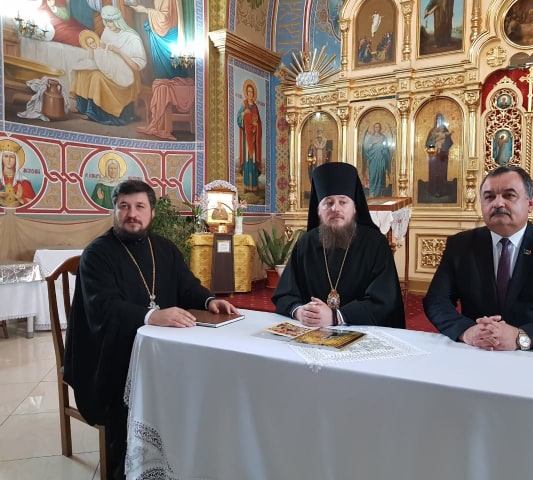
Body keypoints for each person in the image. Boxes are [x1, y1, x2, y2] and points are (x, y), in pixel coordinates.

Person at [63, 180, 238, 479]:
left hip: (163, 353)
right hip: (111, 354)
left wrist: (209, 300)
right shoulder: (97, 254)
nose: (132, 214)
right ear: (115, 211)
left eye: (139, 206)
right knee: (128, 409)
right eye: (124, 206)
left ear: (152, 212)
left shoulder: (164, 249)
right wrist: (152, 316)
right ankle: (128, 466)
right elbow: (103, 307)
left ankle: (181, 455)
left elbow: (187, 286)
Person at [423, 165, 533, 352]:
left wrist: (522, 337)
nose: (498, 203)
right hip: (478, 352)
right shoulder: (460, 245)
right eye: (489, 197)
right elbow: (436, 301)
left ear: (530, 204)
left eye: (509, 195)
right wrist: (466, 331)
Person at [272, 162, 405, 328]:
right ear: (318, 210)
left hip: (361, 332)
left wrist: (337, 317)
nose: (335, 208)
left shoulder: (375, 244)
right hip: (312, 332)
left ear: (354, 208)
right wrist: (300, 311)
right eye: (328, 203)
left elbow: (384, 300)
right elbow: (285, 293)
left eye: (343, 202)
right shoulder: (306, 244)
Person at [70, 5, 147, 125]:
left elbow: (136, 67)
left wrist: (119, 52)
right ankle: (82, 107)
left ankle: (94, 112)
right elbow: (103, 50)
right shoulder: (107, 31)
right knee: (83, 71)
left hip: (123, 74)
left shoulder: (132, 38)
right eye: (105, 21)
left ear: (118, 20)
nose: (107, 24)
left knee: (96, 77)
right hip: (108, 66)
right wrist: (95, 48)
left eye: (110, 21)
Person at [237, 80, 262, 193]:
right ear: (246, 93)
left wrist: (256, 125)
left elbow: (259, 122)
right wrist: (243, 114)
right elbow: (239, 119)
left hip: (254, 138)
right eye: (248, 92)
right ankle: (247, 187)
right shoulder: (244, 105)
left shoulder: (255, 107)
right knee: (247, 162)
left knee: (253, 162)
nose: (250, 94)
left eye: (252, 92)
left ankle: (254, 186)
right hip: (246, 139)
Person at [0, 139, 36, 207]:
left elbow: (33, 202)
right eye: (6, 156)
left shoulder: (23, 181)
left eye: (12, 157)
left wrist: (20, 200)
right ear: (1, 159)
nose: (9, 160)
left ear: (16, 160)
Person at [425, 113, 453, 197]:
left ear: (442, 120)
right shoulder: (432, 131)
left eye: (440, 119)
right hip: (434, 156)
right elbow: (428, 143)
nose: (438, 120)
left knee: (442, 173)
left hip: (442, 156)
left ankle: (442, 191)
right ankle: (433, 190)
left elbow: (449, 142)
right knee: (433, 173)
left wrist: (443, 148)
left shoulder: (445, 130)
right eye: (437, 118)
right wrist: (433, 148)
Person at [362, 122, 391, 197]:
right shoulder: (371, 138)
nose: (377, 128)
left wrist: (383, 149)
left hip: (381, 159)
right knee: (373, 175)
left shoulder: (383, 137)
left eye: (378, 127)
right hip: (373, 159)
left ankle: (378, 193)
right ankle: (371, 192)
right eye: (376, 127)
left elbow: (386, 149)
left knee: (380, 175)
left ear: (380, 128)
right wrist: (372, 144)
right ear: (374, 128)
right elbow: (367, 149)